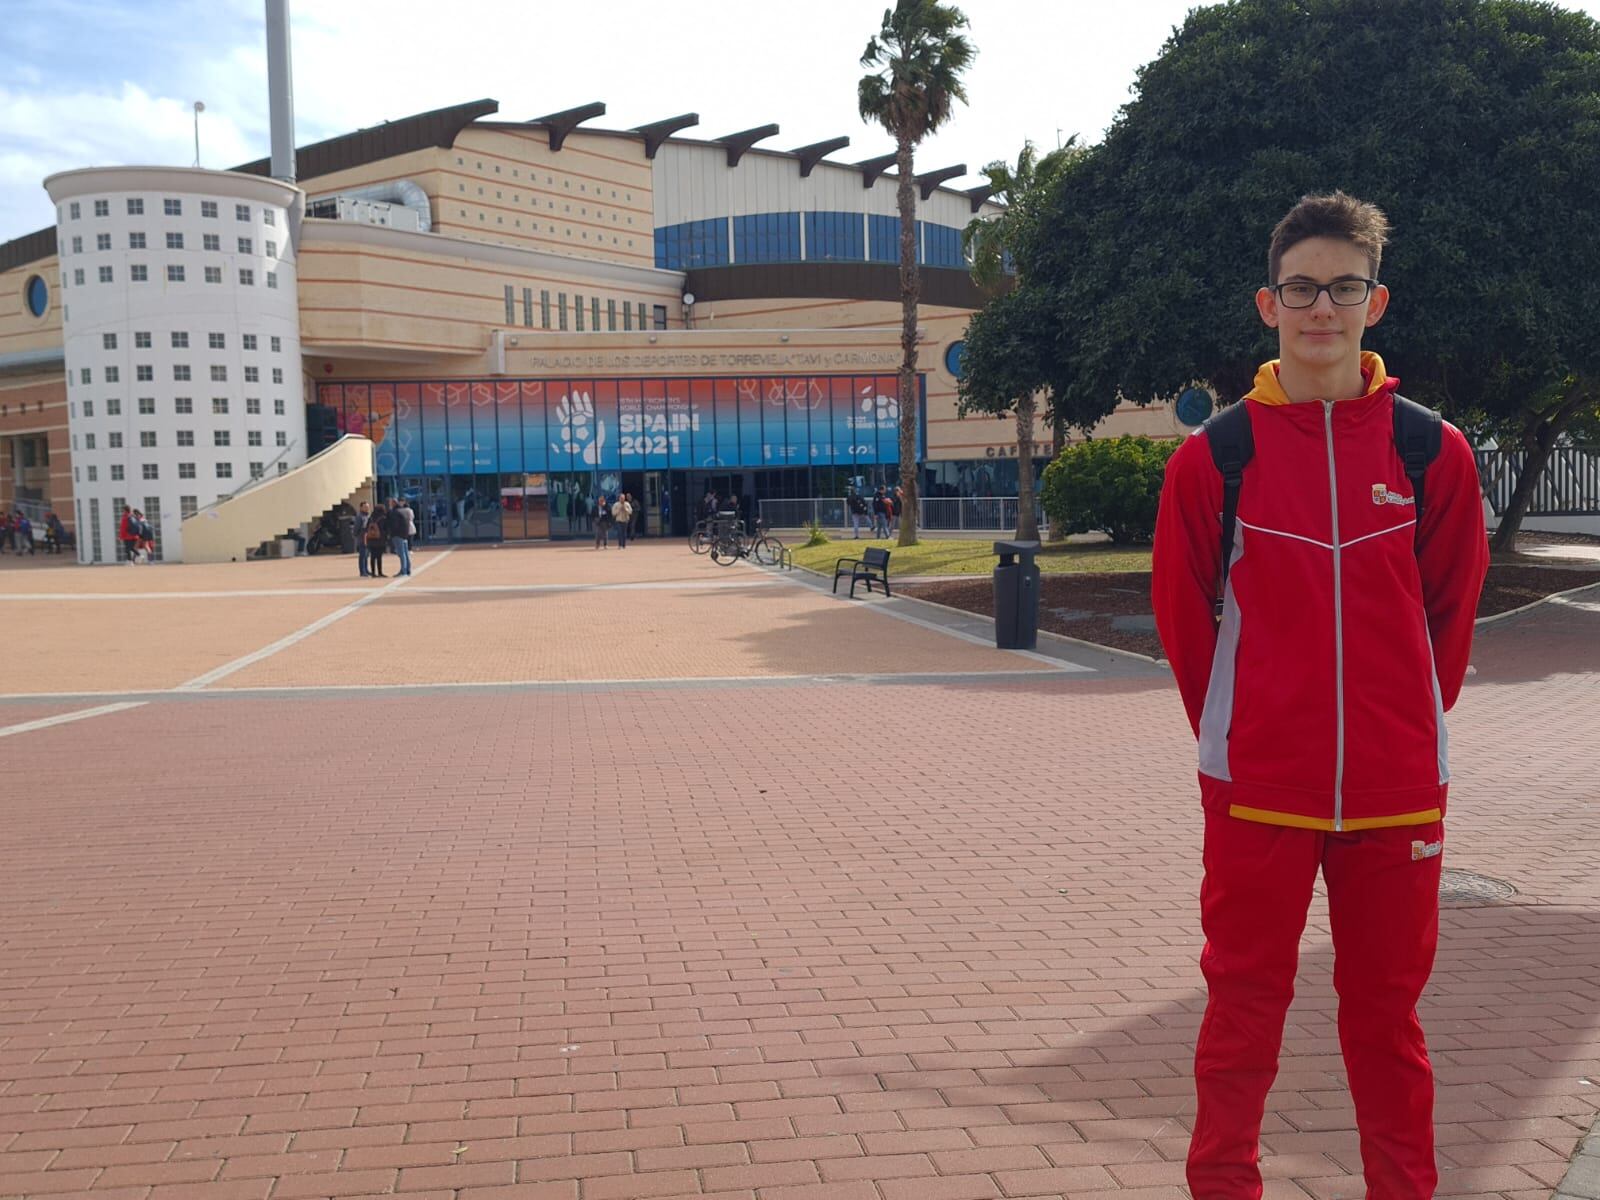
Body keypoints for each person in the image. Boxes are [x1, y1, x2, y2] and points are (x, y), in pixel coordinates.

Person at [1151, 191, 1489, 1200]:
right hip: (1255, 785)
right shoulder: (1217, 457)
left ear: (1374, 302)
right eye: (1300, 288)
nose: (1320, 309)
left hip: (1395, 792)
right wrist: (1248, 728)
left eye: (1342, 287)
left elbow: (1451, 614)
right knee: (1242, 1007)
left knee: (1386, 1022)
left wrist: (1395, 725)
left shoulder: (1432, 452)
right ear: (1267, 303)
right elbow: (1183, 622)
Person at [385, 498, 412, 576]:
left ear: (393, 503)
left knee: (401, 553)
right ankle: (407, 569)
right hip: (405, 534)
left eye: (390, 503)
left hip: (397, 534)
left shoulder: (394, 512)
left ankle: (403, 570)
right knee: (405, 553)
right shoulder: (405, 511)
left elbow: (394, 525)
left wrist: (390, 533)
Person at [364, 503, 388, 577]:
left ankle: (373, 573)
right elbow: (385, 529)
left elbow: (366, 528)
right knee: (379, 557)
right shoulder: (383, 518)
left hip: (371, 539)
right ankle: (380, 572)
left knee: (372, 557)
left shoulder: (370, 518)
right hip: (380, 540)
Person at [354, 501, 375, 577]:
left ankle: (366, 569)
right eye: (365, 507)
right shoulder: (359, 517)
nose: (367, 508)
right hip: (362, 538)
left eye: (368, 507)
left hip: (368, 538)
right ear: (361, 508)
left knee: (366, 555)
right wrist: (358, 535)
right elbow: (356, 528)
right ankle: (362, 571)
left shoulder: (368, 516)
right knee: (362, 555)